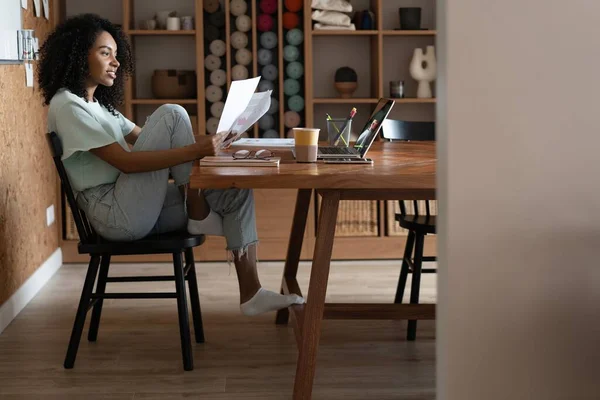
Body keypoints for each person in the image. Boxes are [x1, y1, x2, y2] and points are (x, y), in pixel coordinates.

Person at [38, 13, 304, 316]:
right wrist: (195, 148)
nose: (116, 62)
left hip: (129, 201)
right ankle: (196, 208)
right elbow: (126, 162)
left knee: (236, 192)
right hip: (114, 213)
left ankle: (251, 293)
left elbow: (150, 139)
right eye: (105, 52)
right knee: (172, 112)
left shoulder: (97, 105)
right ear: (77, 54)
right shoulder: (67, 105)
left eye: (115, 53)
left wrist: (218, 139)